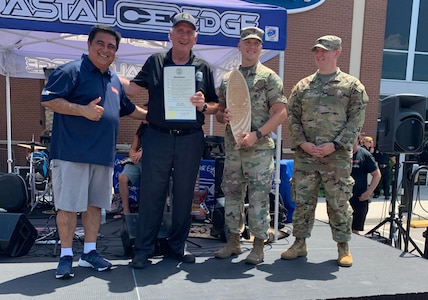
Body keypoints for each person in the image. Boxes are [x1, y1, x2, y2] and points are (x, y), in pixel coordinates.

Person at [40, 24, 147, 279]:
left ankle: (89, 253)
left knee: (94, 207)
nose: (105, 50)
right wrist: (82, 110)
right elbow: (48, 99)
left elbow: (129, 109)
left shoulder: (113, 80)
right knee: (67, 207)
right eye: (100, 43)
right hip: (71, 154)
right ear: (89, 45)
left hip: (102, 156)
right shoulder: (71, 71)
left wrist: (159, 117)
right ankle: (66, 255)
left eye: (111, 47)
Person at [121, 12, 219, 269]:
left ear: (195, 38)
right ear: (171, 35)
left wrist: (202, 105)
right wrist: (108, 77)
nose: (184, 36)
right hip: (158, 137)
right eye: (180, 31)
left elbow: (214, 106)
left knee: (184, 196)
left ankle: (177, 246)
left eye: (189, 32)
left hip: (190, 139)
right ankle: (143, 249)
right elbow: (132, 89)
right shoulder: (155, 61)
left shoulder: (203, 67)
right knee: (151, 194)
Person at [282, 35, 369, 267]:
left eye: (325, 51)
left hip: (336, 157)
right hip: (306, 155)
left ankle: (343, 247)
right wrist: (302, 143)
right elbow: (293, 118)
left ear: (337, 52)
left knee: (339, 201)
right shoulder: (302, 86)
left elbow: (356, 120)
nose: (320, 55)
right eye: (317, 51)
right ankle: (299, 243)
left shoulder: (352, 86)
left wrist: (336, 144)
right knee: (303, 201)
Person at [214, 27, 287, 264]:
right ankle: (233, 241)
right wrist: (222, 116)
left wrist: (257, 134)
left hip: (259, 150)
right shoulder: (228, 79)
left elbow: (281, 113)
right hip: (234, 148)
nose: (252, 47)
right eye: (247, 43)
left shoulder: (269, 78)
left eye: (256, 44)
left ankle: (258, 245)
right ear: (240, 46)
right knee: (232, 195)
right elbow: (219, 112)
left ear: (261, 48)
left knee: (258, 198)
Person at [350, 139, 381, 234]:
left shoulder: (364, 155)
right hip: (342, 197)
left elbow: (377, 175)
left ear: (357, 141)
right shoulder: (340, 154)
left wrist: (368, 193)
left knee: (355, 230)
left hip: (359, 198)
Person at [118, 119, 148, 215]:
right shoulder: (141, 130)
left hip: (151, 161)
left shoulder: (159, 129)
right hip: (137, 162)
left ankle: (146, 210)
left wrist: (143, 152)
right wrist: (133, 155)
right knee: (122, 178)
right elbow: (133, 147)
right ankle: (126, 209)